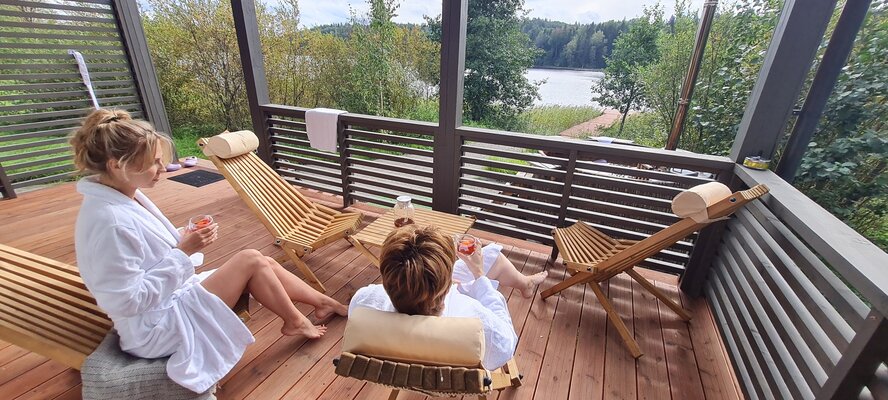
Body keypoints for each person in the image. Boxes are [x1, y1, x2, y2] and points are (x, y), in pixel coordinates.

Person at [71, 108, 347, 393]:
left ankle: (322, 302)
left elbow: (145, 252)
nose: (163, 168)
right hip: (155, 328)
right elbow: (127, 302)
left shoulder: (125, 196)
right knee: (251, 260)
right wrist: (182, 252)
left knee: (263, 261)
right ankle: (295, 321)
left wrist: (182, 238)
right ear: (117, 165)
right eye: (153, 163)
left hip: (168, 300)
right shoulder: (110, 222)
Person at [348, 226, 548, 370]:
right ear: (447, 287)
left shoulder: (363, 301)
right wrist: (479, 275)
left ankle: (525, 283)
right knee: (488, 259)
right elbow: (506, 345)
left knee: (490, 257)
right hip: (452, 347)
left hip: (407, 347)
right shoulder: (477, 323)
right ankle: (524, 283)